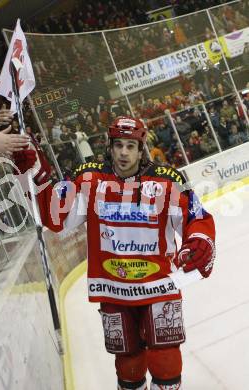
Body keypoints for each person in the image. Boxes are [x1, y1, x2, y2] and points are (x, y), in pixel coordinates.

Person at [16, 116, 216, 390]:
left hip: (158, 285)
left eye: (130, 146)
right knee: (128, 362)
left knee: (165, 356)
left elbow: (196, 216)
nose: (123, 152)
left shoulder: (167, 180)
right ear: (109, 147)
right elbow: (56, 216)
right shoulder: (89, 179)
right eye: (118, 145)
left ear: (140, 148)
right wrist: (33, 170)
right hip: (114, 289)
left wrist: (200, 240)